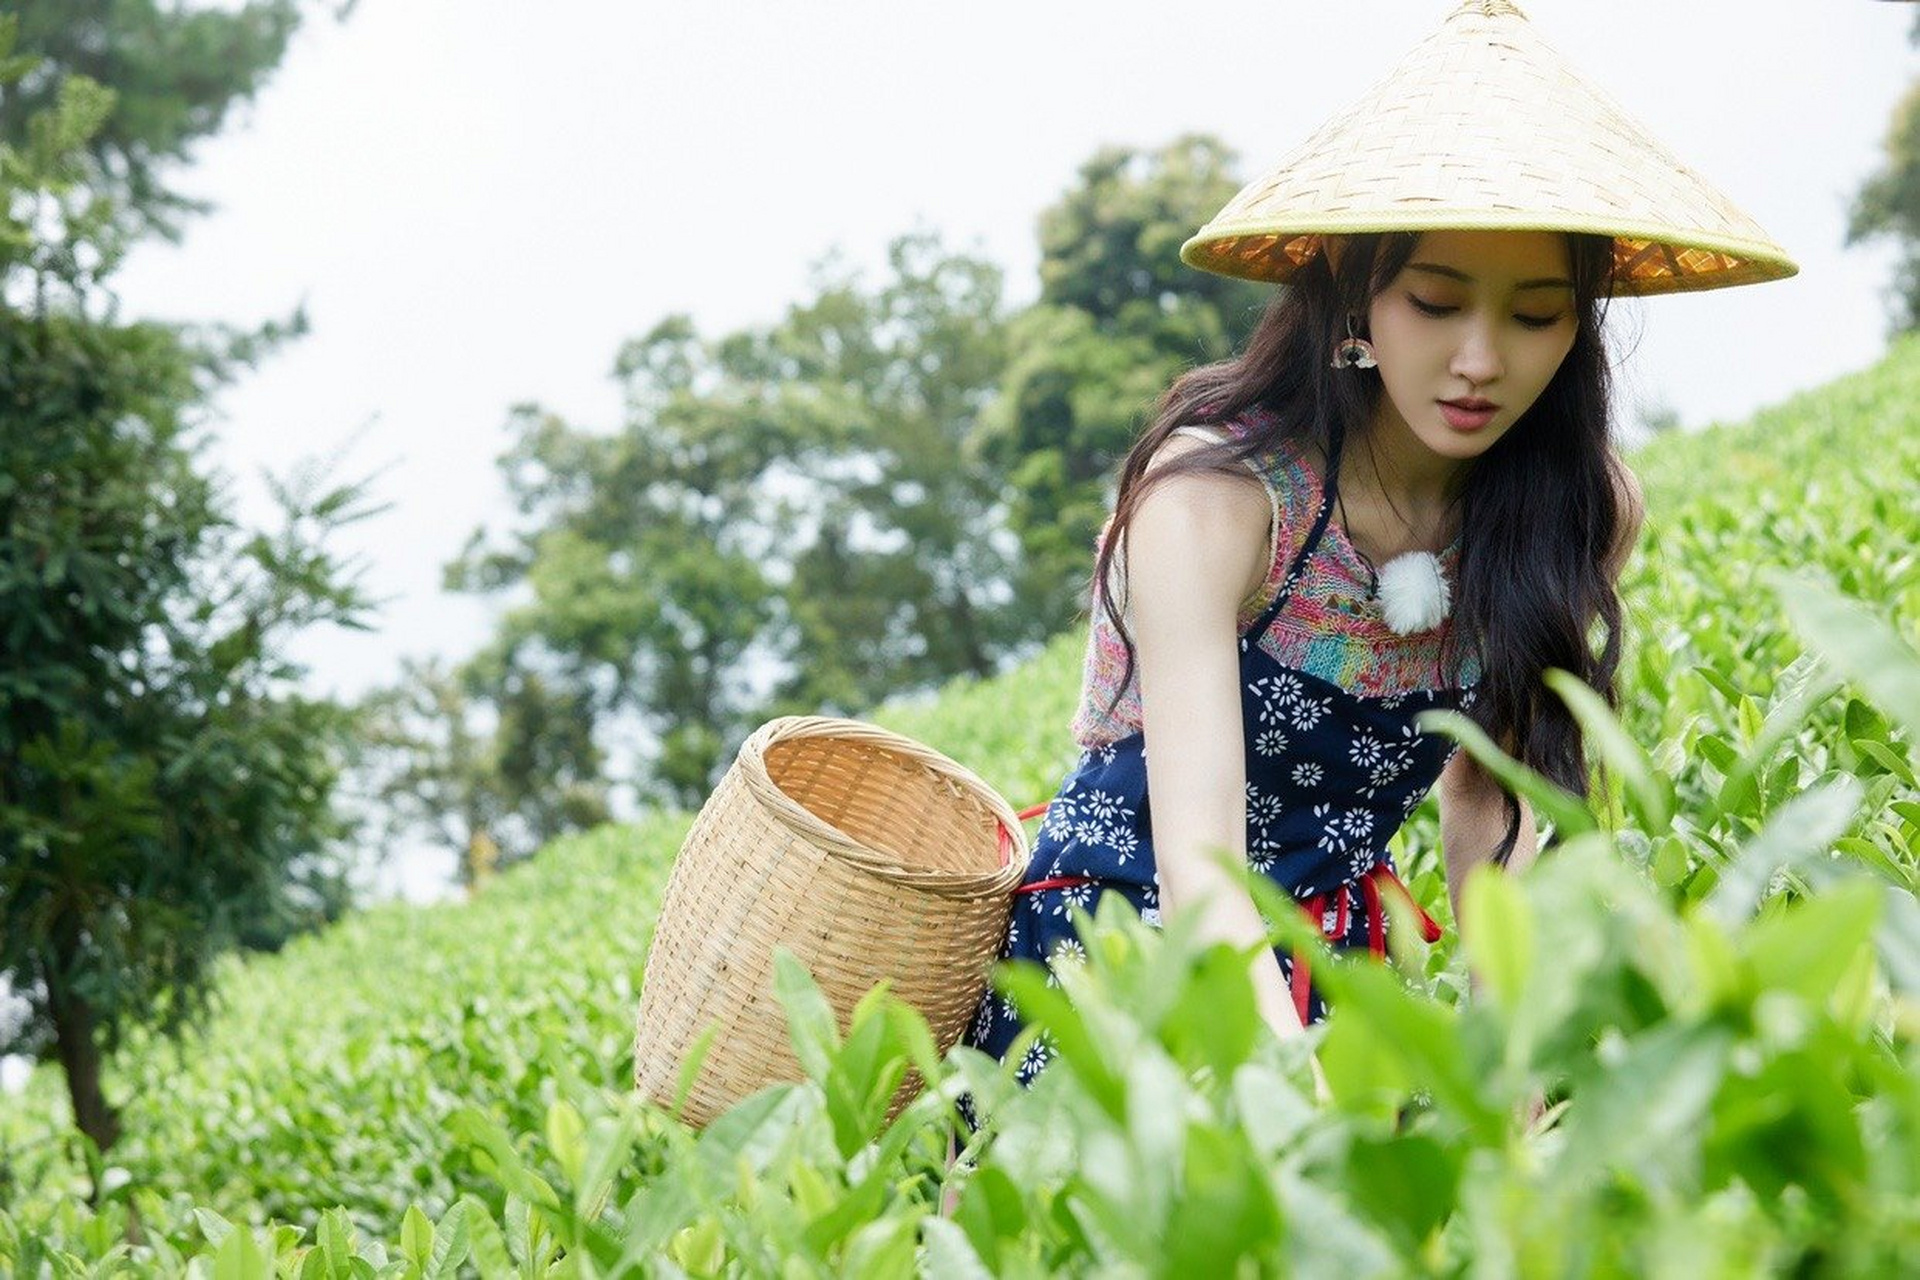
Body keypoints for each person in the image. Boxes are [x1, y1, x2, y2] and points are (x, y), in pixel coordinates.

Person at [944, 0, 1796, 1169]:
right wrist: (1295, 1093)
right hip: (1127, 961)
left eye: (1536, 313)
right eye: (1437, 304)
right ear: (1353, 296)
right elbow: (1199, 874)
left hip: (1341, 967)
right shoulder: (1221, 504)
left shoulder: (1575, 509)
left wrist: (1513, 1079)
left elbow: (1491, 812)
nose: (1482, 359)